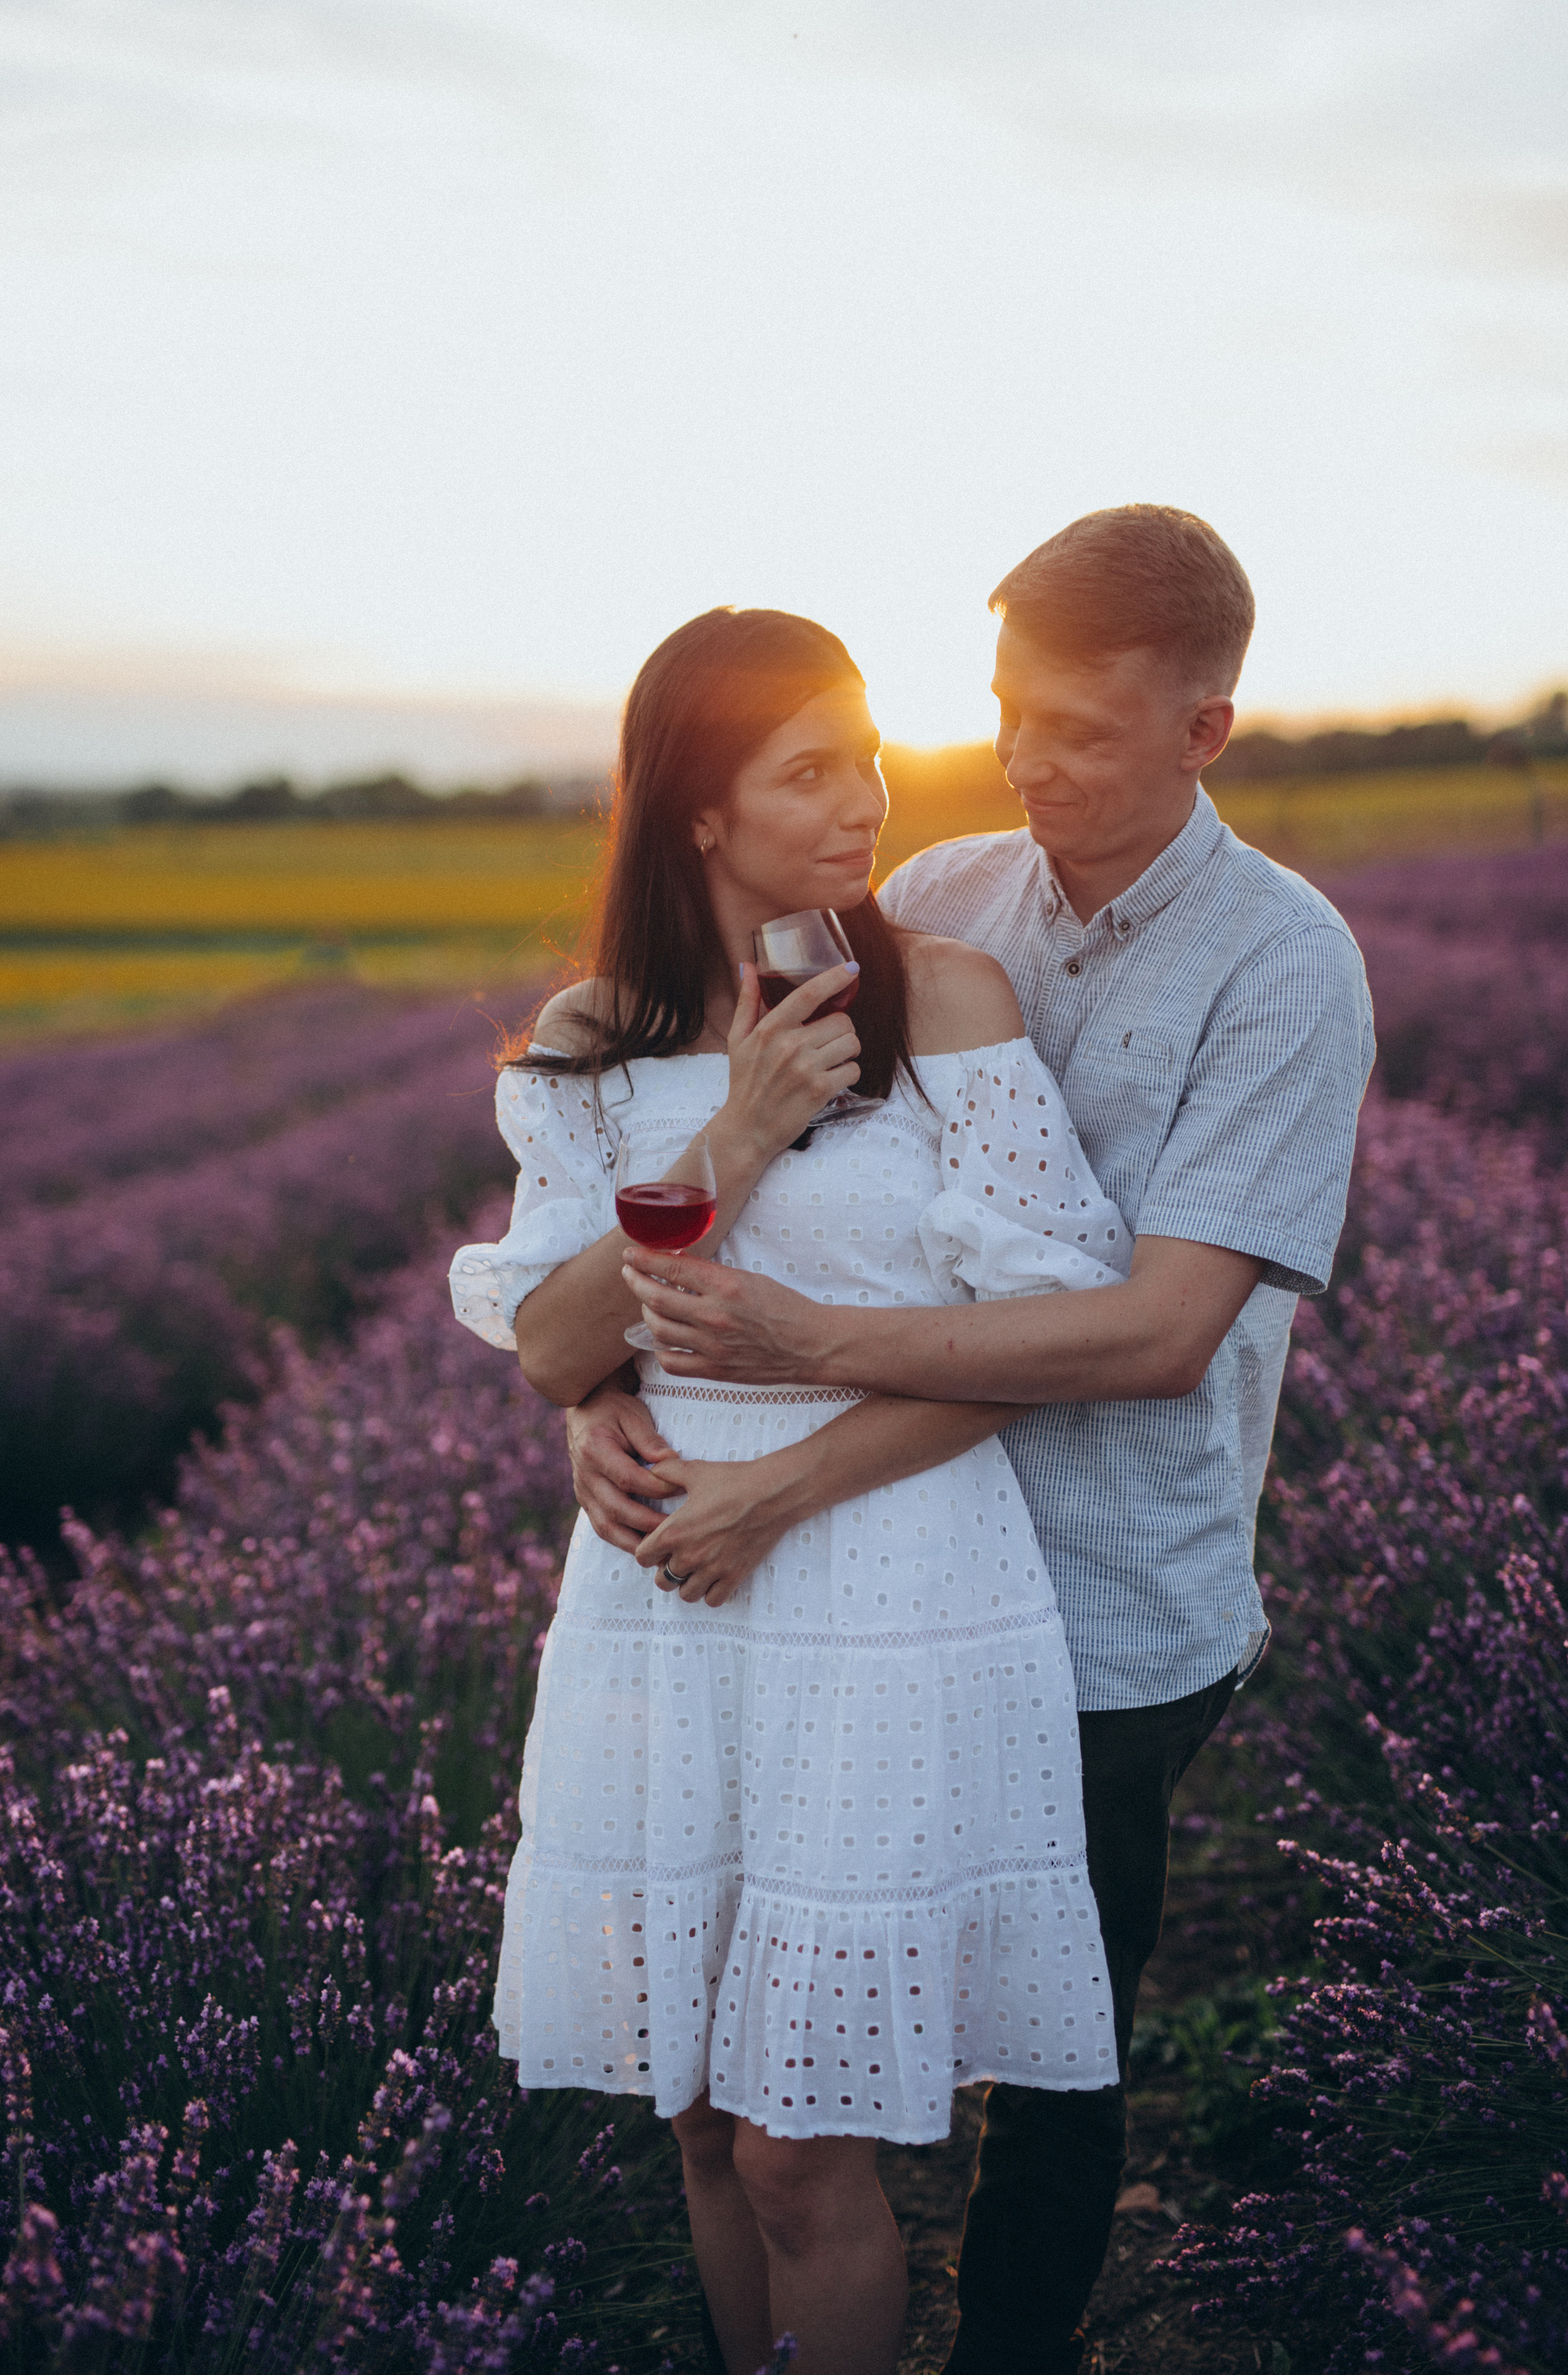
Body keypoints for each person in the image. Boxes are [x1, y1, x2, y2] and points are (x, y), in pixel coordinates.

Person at [566, 508, 1376, 2375]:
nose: (1026, 762)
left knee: (1048, 2058)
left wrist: (808, 1348)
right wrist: (608, 1394)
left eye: (1081, 732)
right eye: (1007, 711)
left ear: (1206, 731)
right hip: (860, 1577)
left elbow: (1167, 1335)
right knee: (799, 2062)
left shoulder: (1282, 967)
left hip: (1105, 1596)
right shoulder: (937, 896)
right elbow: (709, 1187)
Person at [449, 605, 1143, 2375]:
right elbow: (549, 1344)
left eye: (870, 754)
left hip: (885, 1582)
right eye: (809, 768)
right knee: (696, 2117)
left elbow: (1040, 1335)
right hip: (663, 1601)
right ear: (698, 809)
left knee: (800, 2137)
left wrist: (782, 1491)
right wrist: (737, 1137)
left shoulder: (943, 1000)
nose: (867, 797)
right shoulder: (592, 1040)